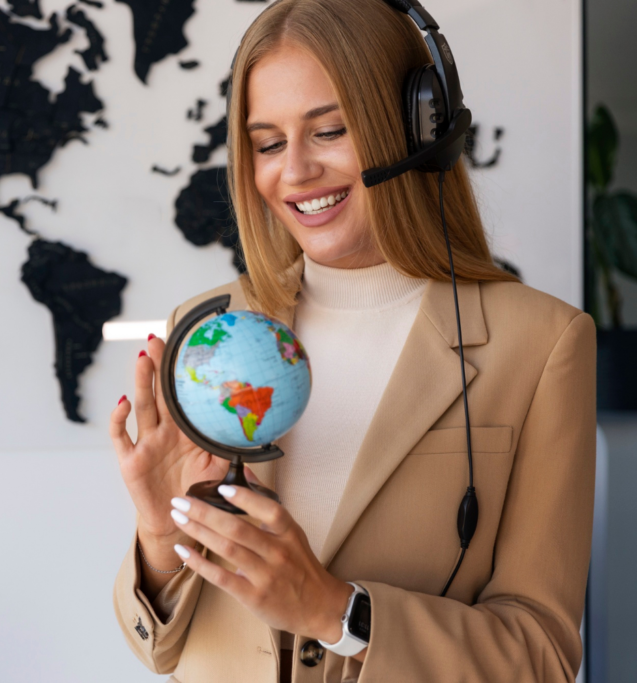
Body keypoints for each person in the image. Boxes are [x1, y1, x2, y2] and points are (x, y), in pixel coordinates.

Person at [108, 0, 597, 681]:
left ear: (419, 129)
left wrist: (340, 613)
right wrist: (161, 538)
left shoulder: (543, 344)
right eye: (270, 143)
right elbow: (157, 646)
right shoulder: (209, 330)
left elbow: (540, 656)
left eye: (330, 130)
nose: (297, 170)